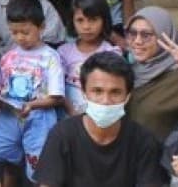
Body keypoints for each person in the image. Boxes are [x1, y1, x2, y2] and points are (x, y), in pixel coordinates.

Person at [34, 52, 165, 187]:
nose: (105, 100)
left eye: (115, 92)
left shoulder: (143, 141)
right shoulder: (62, 135)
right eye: (97, 91)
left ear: (127, 97)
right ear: (84, 92)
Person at [0, 0, 64, 185]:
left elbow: (56, 97)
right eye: (14, 32)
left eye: (25, 32)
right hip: (9, 116)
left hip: (39, 118)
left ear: (41, 27)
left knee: (40, 165)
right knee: (7, 160)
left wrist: (32, 105)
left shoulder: (50, 57)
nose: (20, 37)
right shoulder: (8, 56)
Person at [126, 6, 178, 141]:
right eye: (132, 33)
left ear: (165, 36)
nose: (137, 41)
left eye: (146, 35)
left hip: (164, 159)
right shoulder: (126, 70)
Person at [57, 0, 122, 115]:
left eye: (93, 20)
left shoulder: (111, 53)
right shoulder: (63, 53)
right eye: (80, 20)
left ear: (104, 21)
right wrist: (71, 111)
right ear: (72, 21)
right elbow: (57, 88)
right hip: (68, 115)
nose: (86, 26)